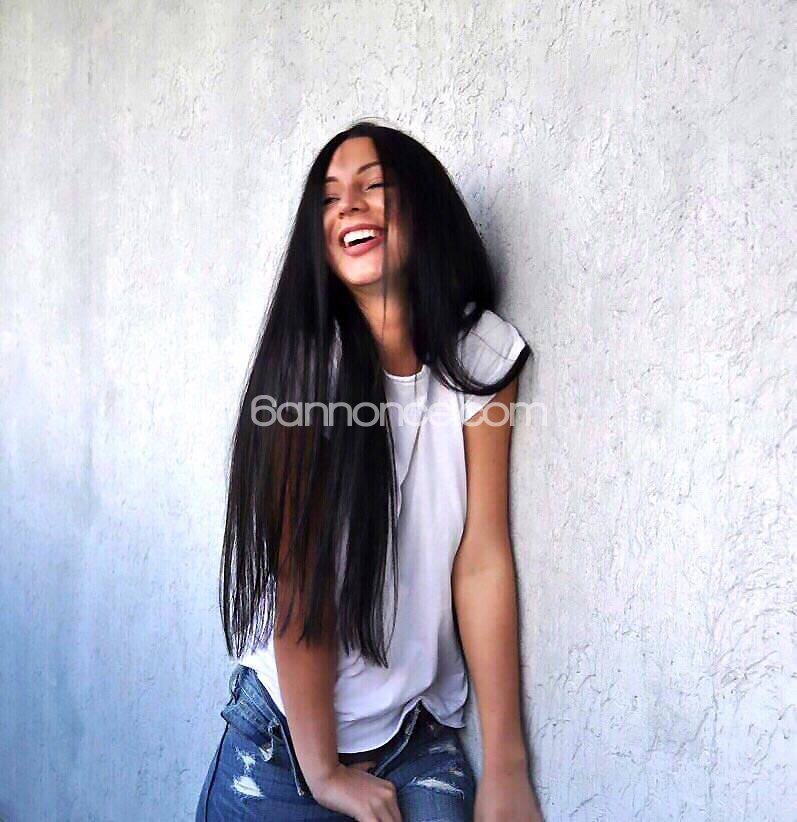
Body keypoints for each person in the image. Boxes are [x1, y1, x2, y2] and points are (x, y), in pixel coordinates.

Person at [195, 119, 544, 821]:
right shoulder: (307, 374)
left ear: (424, 205)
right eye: (328, 198)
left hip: (414, 737)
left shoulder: (478, 356)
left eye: (372, 186)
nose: (347, 206)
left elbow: (481, 557)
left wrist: (506, 767)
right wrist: (323, 772)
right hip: (286, 742)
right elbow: (301, 580)